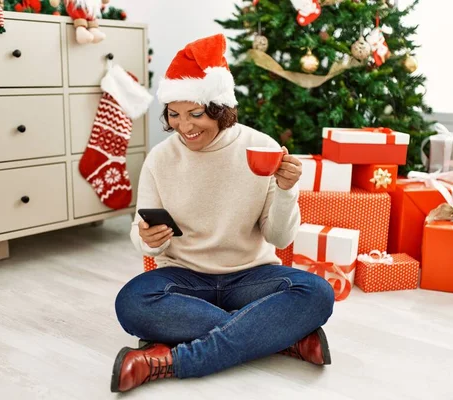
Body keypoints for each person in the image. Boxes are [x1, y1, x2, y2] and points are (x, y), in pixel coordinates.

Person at [111, 33, 335, 393]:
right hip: (183, 278)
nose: (185, 126)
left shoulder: (260, 147)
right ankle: (280, 338)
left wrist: (286, 190)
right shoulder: (160, 159)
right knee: (132, 303)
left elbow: (280, 238)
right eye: (175, 114)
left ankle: (171, 360)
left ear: (219, 108)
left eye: (196, 113)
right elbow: (144, 237)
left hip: (252, 278)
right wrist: (146, 238)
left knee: (318, 293)